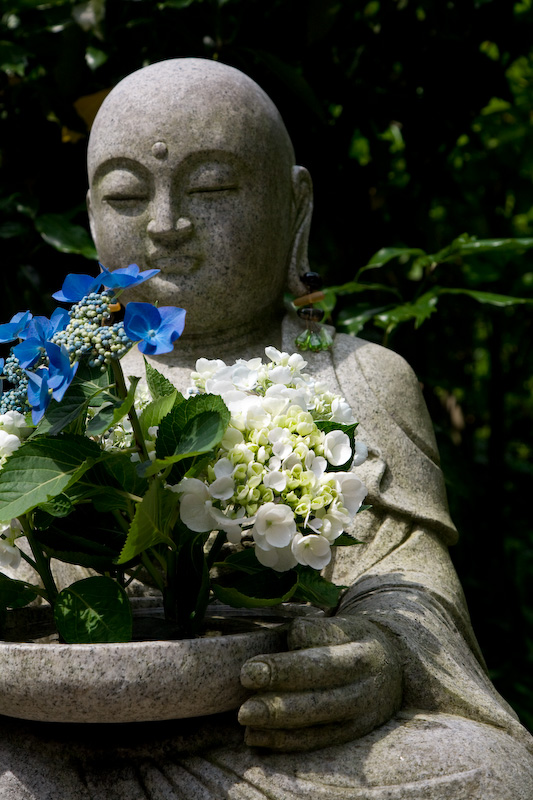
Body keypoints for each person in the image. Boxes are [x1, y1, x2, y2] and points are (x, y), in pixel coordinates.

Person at [0, 57, 531, 799]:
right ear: (88, 212)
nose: (164, 225)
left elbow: (409, 581)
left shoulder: (360, 376)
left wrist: (377, 657)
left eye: (213, 187)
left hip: (285, 736)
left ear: (295, 205)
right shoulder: (58, 389)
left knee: (496, 774)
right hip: (80, 740)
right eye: (124, 193)